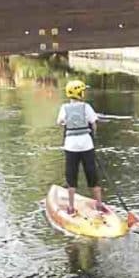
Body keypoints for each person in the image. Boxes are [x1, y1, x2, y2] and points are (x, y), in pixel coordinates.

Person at [56, 79, 109, 216]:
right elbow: (94, 122)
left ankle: (71, 207)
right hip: (87, 145)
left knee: (71, 177)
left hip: (71, 146)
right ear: (79, 93)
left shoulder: (64, 108)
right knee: (92, 175)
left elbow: (60, 122)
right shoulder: (86, 107)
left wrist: (66, 124)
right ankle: (99, 204)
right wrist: (92, 135)